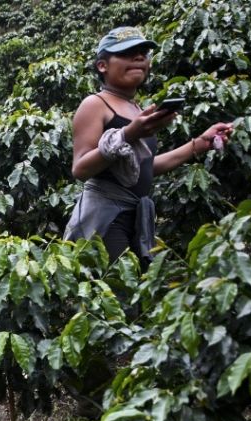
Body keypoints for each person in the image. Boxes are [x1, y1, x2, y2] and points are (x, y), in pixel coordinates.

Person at [64, 26, 234, 268]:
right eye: (127, 53)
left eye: (143, 53)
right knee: (120, 297)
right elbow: (80, 169)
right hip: (106, 218)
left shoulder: (137, 109)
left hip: (136, 217)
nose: (139, 58)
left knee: (138, 298)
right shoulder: (95, 104)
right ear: (102, 65)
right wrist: (128, 134)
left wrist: (200, 143)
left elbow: (145, 167)